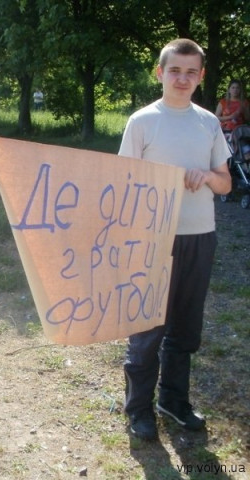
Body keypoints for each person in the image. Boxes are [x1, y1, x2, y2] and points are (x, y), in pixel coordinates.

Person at [118, 38, 232, 441]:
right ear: (160, 73)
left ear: (201, 77)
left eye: (190, 72)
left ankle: (173, 400)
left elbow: (226, 183)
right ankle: (139, 408)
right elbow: (123, 182)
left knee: (185, 328)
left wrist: (209, 176)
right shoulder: (142, 121)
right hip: (152, 240)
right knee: (147, 327)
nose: (182, 79)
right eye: (175, 71)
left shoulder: (209, 122)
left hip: (199, 237)